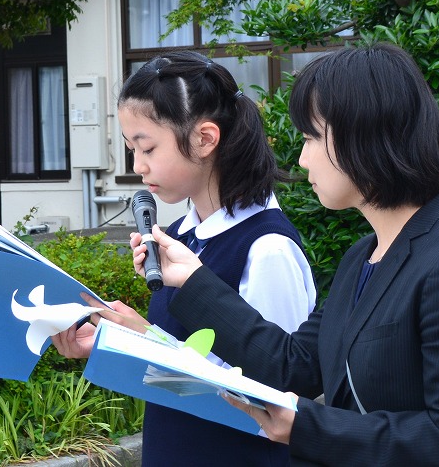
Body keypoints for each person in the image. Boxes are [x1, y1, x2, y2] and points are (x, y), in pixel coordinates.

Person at [110, 43, 439, 466]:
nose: (303, 158)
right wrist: (191, 282)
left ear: (366, 134)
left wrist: (308, 426)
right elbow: (293, 367)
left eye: (312, 137)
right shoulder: (363, 257)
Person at [52, 51, 316, 467]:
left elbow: (272, 397)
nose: (138, 166)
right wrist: (128, 340)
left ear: (205, 139)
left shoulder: (268, 248)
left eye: (147, 148)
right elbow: (189, 373)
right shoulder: (179, 237)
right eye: (131, 149)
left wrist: (146, 342)